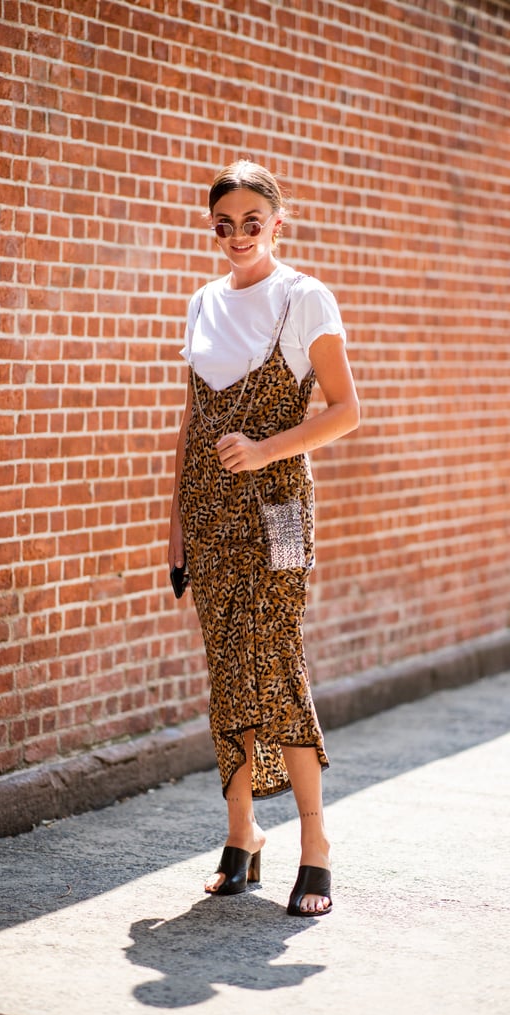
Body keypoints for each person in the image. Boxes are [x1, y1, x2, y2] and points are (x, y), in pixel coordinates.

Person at [168, 160, 360, 917]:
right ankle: (242, 837)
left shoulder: (303, 296)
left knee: (276, 660)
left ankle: (316, 845)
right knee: (226, 667)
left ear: (279, 223)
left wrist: (265, 449)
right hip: (210, 515)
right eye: (225, 223)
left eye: (254, 221)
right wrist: (174, 530)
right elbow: (189, 426)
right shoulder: (203, 302)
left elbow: (346, 411)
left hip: (278, 508)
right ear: (211, 228)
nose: (239, 235)